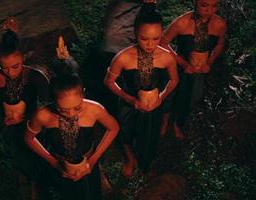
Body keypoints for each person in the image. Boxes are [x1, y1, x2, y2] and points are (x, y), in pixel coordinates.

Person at [104, 2, 179, 176]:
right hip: (129, 102)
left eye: (156, 38)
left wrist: (161, 96)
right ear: (135, 34)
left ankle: (147, 160)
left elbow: (174, 80)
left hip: (153, 104)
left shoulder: (166, 57)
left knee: (150, 133)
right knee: (126, 131)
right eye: (144, 38)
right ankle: (130, 158)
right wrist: (129, 99)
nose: (150, 44)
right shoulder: (123, 58)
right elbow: (108, 82)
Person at [25, 74, 119, 200]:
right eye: (63, 110)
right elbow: (28, 138)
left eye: (77, 107)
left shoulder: (95, 109)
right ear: (53, 100)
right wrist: (55, 163)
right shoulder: (42, 115)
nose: (71, 114)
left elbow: (114, 128)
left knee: (93, 193)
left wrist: (92, 161)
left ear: (83, 94)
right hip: (61, 165)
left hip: (88, 160)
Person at [0, 26, 50, 199]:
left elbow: (48, 106)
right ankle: (22, 175)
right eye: (5, 68)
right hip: (8, 124)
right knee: (15, 144)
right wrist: (1, 118)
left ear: (23, 57)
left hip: (34, 123)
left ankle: (36, 181)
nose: (10, 72)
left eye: (15, 66)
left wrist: (29, 118)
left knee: (33, 146)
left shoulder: (35, 76)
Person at [159, 0, 227, 139]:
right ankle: (164, 121)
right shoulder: (182, 22)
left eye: (214, 6)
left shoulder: (219, 24)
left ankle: (178, 123)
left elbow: (220, 44)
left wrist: (210, 62)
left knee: (192, 97)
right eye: (204, 5)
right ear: (195, 3)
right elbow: (162, 43)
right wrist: (182, 63)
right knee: (170, 95)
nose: (209, 10)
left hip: (200, 70)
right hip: (179, 66)